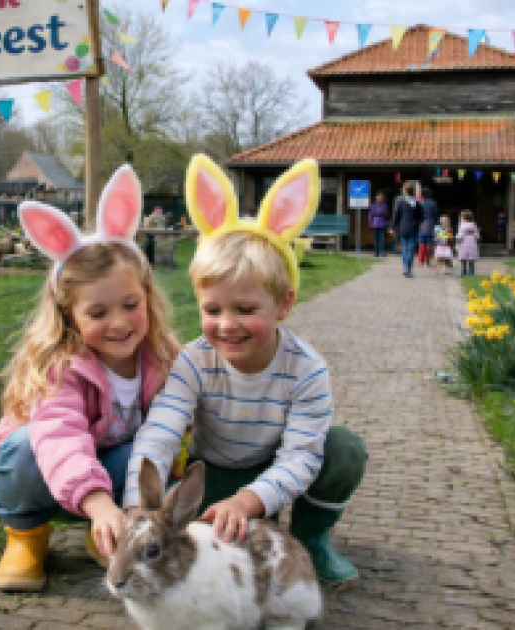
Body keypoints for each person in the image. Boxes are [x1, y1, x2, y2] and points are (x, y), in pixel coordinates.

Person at [125, 154, 368, 590]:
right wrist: (134, 511)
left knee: (343, 449)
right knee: (145, 451)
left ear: (284, 305)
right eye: (212, 310)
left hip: (266, 475)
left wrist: (251, 499)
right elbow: (161, 429)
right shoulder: (193, 360)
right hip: (209, 475)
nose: (226, 324)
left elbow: (300, 456)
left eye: (245, 309)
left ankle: (311, 538)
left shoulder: (306, 370)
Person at [0, 165, 181, 592]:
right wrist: (98, 502)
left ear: (147, 297)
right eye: (98, 313)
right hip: (50, 476)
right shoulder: (62, 367)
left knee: (152, 457)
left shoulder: (162, 358)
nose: (119, 323)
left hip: (108, 476)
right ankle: (26, 536)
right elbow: (60, 438)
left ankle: (105, 530)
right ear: (69, 315)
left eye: (130, 304)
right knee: (26, 446)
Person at [389, 181, 421, 277]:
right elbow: (420, 216)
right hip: (413, 228)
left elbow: (396, 215)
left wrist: (392, 227)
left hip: (402, 227)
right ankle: (408, 268)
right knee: (410, 249)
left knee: (404, 248)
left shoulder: (399, 200)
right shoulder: (416, 202)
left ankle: (405, 267)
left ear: (405, 190)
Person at [417, 187, 439, 267]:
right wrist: (436, 224)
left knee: (422, 243)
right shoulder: (434, 203)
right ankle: (427, 262)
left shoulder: (420, 203)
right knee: (429, 243)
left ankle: (421, 261)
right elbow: (436, 215)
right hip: (431, 224)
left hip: (422, 224)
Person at [457, 210, 480, 276]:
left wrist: (457, 241)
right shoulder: (474, 225)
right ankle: (471, 273)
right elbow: (477, 236)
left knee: (463, 260)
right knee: (471, 260)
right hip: (472, 243)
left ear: (463, 218)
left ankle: (463, 272)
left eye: (461, 217)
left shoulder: (462, 225)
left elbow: (460, 236)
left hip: (464, 243)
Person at [368, 192, 390, 257]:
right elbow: (370, 215)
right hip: (375, 224)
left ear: (382, 199)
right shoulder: (373, 205)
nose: (379, 199)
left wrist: (387, 223)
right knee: (375, 239)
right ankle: (376, 253)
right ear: (376, 198)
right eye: (378, 197)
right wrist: (370, 223)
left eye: (381, 198)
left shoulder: (384, 206)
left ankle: (382, 252)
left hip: (382, 224)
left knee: (382, 239)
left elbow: (386, 215)